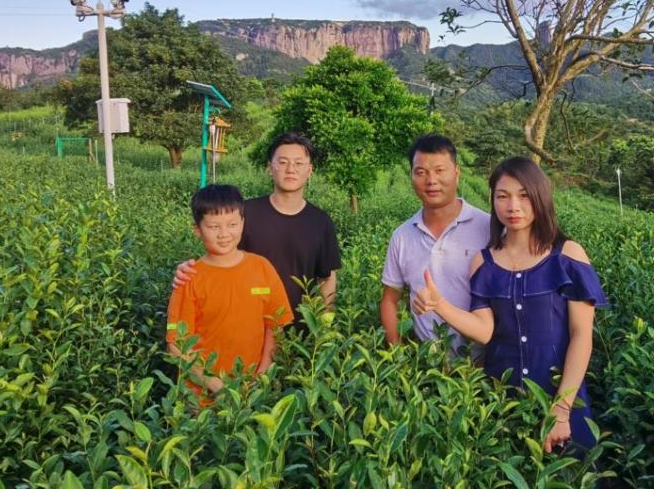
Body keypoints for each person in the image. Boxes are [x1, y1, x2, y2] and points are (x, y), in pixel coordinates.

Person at [412, 156, 609, 454]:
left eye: (524, 196)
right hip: (503, 401)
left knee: (571, 488)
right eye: (503, 196)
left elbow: (582, 336)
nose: (513, 206)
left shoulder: (568, 255)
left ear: (540, 196)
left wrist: (562, 408)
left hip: (560, 399)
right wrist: (440, 305)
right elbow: (484, 330)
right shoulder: (484, 262)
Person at [174, 132, 341, 322]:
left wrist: (322, 327)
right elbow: (218, 255)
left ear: (310, 170)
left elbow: (327, 278)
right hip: (247, 325)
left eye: (299, 163)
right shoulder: (246, 213)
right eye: (283, 162)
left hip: (301, 334)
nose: (290, 169)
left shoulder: (320, 221)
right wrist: (188, 273)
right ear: (270, 168)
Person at [167, 184, 293, 401]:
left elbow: (276, 326)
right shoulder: (189, 278)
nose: (224, 234)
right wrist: (217, 386)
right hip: (200, 399)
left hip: (251, 391)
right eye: (214, 226)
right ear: (197, 229)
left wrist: (261, 377)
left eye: (232, 224)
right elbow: (176, 346)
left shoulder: (261, 267)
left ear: (243, 223)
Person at [380, 134, 491, 355]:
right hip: (426, 366)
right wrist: (397, 355)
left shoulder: (488, 228)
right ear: (411, 176)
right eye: (421, 172)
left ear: (457, 173)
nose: (431, 180)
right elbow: (389, 300)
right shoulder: (402, 236)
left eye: (440, 171)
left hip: (482, 369)